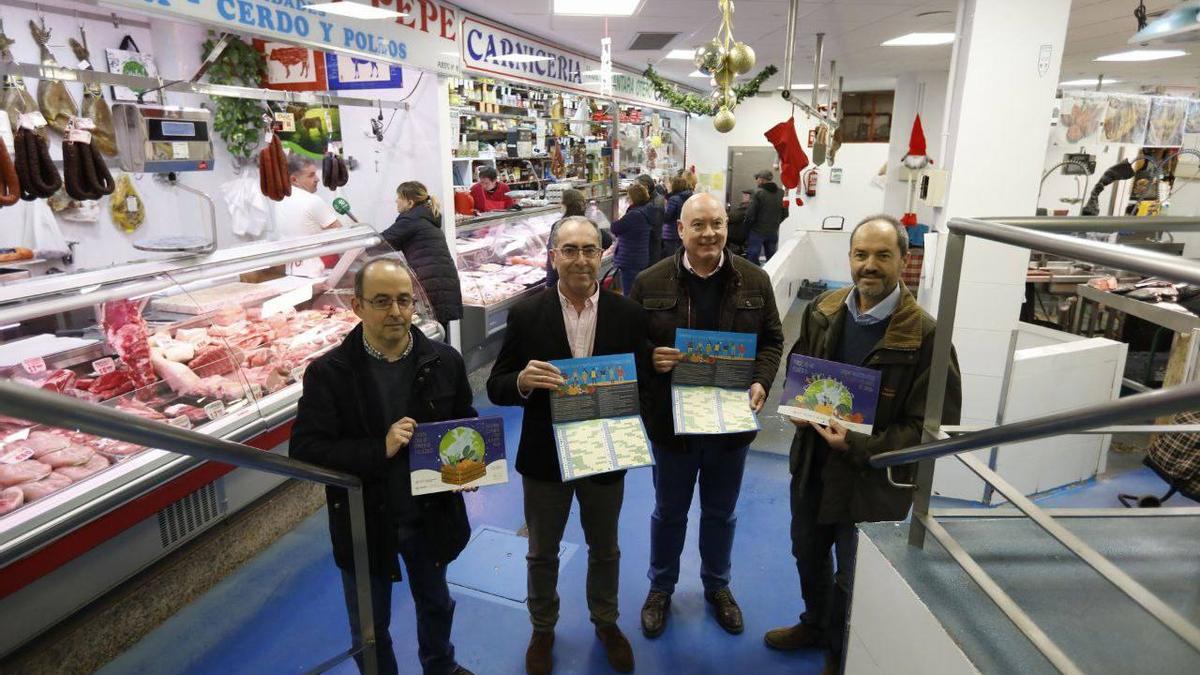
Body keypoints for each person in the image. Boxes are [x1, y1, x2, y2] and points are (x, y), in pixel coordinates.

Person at [763, 215, 962, 675]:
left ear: (904, 260)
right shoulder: (823, 311)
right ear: (849, 258)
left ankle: (842, 651)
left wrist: (856, 443)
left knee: (853, 575)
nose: (869, 265)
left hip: (869, 484)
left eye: (882, 255)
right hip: (813, 467)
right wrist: (796, 404)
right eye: (860, 254)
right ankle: (814, 624)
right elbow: (802, 371)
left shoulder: (928, 337)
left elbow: (932, 430)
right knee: (807, 554)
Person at [290, 258, 475, 675]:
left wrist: (472, 463)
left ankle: (440, 666)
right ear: (356, 306)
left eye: (404, 300)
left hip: (429, 515)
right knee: (370, 628)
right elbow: (305, 450)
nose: (395, 311)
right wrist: (380, 448)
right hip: (366, 521)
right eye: (381, 301)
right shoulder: (329, 373)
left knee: (436, 604)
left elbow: (465, 419)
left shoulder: (444, 361)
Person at [487, 216, 651, 675]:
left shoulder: (629, 315)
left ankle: (606, 621)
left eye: (590, 249)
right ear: (554, 255)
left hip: (606, 451)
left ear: (603, 255)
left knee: (607, 547)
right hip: (544, 455)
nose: (581, 259)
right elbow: (497, 385)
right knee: (541, 550)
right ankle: (543, 628)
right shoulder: (526, 314)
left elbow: (646, 384)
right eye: (570, 250)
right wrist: (519, 380)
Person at [630, 193, 784, 640]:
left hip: (730, 426)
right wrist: (650, 357)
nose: (709, 233)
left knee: (721, 513)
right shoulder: (649, 281)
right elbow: (628, 341)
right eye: (698, 225)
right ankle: (661, 588)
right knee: (668, 512)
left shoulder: (754, 280)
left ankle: (717, 587)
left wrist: (760, 381)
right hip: (671, 426)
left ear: (727, 226)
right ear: (680, 230)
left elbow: (772, 340)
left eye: (716, 223)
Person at [382, 182, 464, 340]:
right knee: (439, 334)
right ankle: (445, 363)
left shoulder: (410, 220)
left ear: (410, 202)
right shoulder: (425, 217)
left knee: (433, 339)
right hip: (442, 283)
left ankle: (441, 364)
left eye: (399, 197)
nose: (396, 201)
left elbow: (380, 244)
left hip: (432, 286)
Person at [274, 153, 343, 276]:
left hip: (292, 270)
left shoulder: (280, 200)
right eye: (311, 175)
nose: (317, 179)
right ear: (294, 179)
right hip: (318, 269)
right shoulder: (312, 200)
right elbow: (341, 233)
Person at [545, 189, 613, 287]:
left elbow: (553, 258)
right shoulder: (588, 224)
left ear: (566, 205)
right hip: (585, 278)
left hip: (560, 281)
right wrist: (591, 253)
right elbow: (608, 240)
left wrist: (549, 283)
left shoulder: (560, 226)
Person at [610, 183, 654, 296]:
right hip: (640, 257)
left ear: (633, 198)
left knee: (629, 293)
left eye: (628, 197)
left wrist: (621, 216)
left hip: (630, 260)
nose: (627, 199)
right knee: (638, 291)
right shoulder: (647, 211)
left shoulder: (634, 215)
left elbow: (615, 228)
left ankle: (630, 312)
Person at [743, 170, 785, 265]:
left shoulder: (758, 193)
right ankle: (771, 277)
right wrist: (775, 223)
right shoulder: (781, 193)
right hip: (773, 231)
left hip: (757, 231)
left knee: (752, 257)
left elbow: (750, 214)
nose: (756, 181)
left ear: (761, 180)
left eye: (757, 179)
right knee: (772, 258)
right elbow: (785, 213)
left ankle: (755, 277)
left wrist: (747, 228)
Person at [661, 175, 693, 261]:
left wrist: (663, 208)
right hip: (683, 231)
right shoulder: (689, 197)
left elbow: (667, 217)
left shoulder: (674, 199)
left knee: (671, 259)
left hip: (671, 233)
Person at [636, 174, 666, 263]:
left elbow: (653, 225)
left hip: (652, 244)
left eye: (637, 187)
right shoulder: (650, 199)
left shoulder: (657, 202)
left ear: (646, 187)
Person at [726, 190, 753, 258]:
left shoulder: (746, 208)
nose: (743, 196)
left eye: (746, 195)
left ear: (751, 198)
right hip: (741, 234)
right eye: (744, 195)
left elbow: (732, 217)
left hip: (737, 235)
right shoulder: (746, 207)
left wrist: (724, 216)